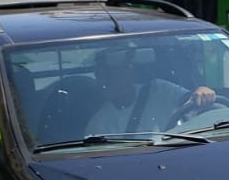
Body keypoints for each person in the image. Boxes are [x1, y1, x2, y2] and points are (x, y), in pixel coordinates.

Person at [86, 48, 216, 134]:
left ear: (129, 72)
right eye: (103, 77)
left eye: (113, 74)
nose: (107, 82)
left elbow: (190, 100)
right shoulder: (99, 124)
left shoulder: (159, 89)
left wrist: (202, 92)